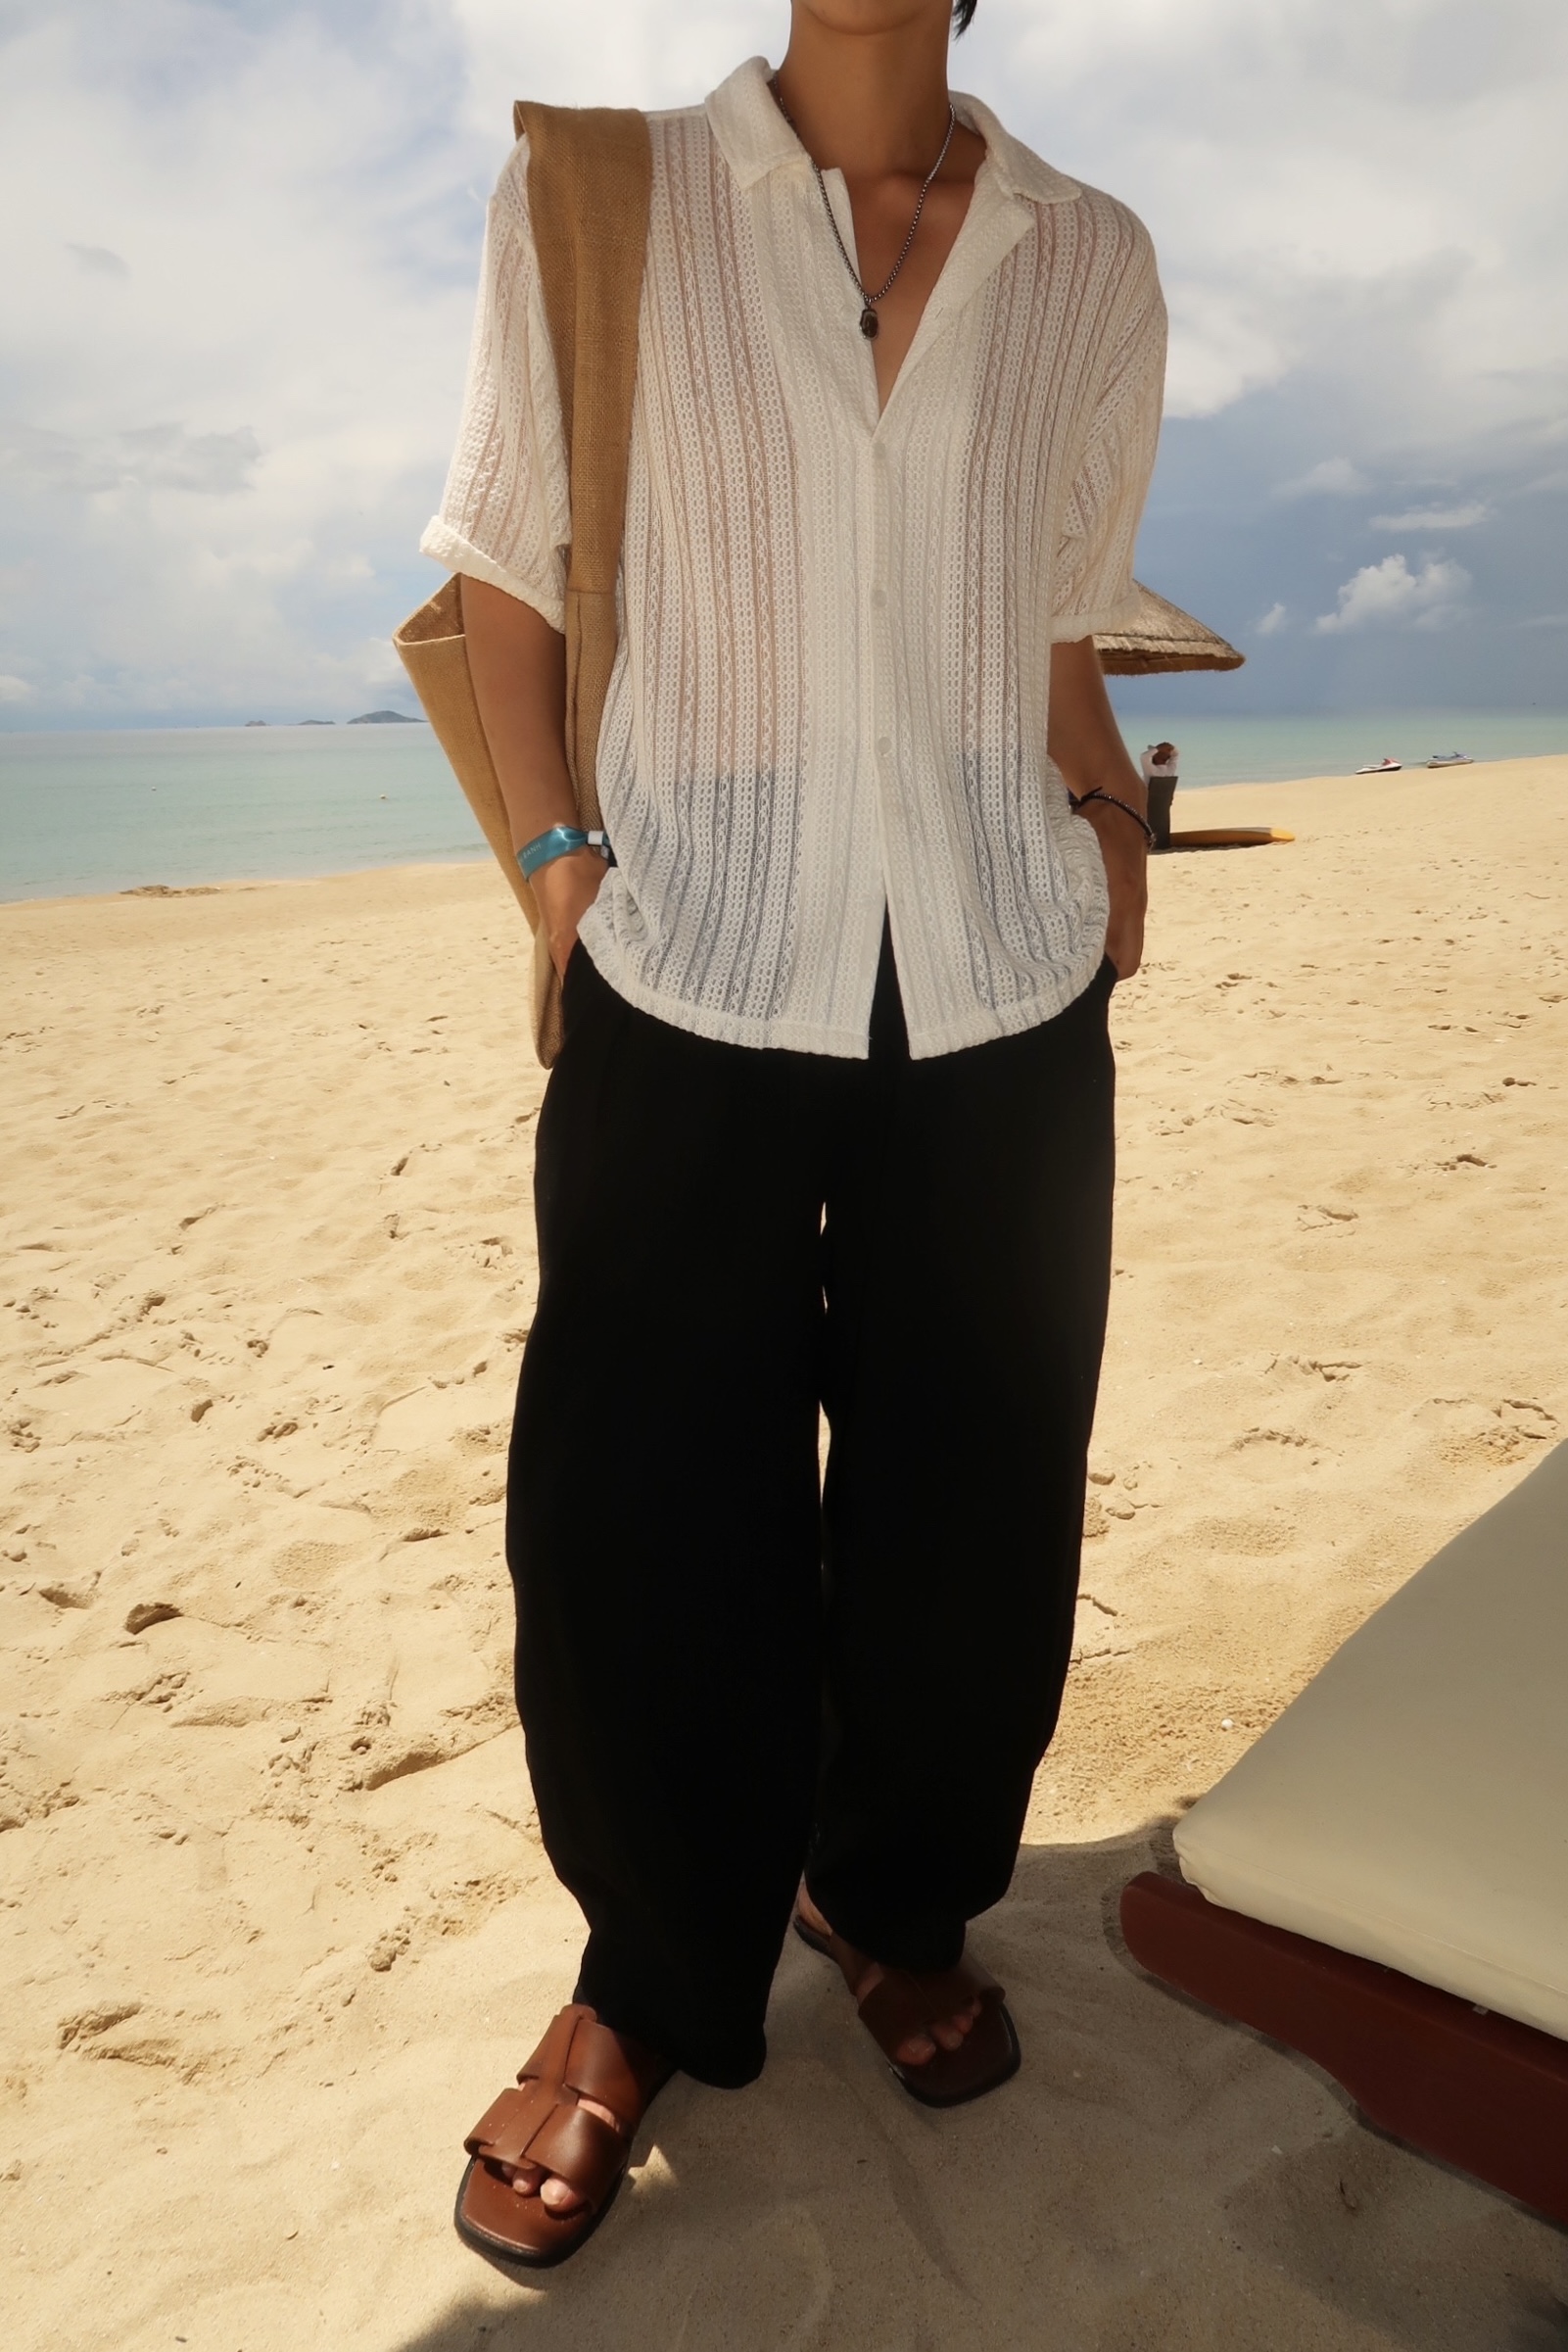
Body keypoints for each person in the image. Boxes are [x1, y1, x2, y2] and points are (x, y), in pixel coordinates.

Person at [422, 0, 1164, 2268]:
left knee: (976, 1488)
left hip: (998, 955)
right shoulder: (603, 202)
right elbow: (508, 571)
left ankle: (891, 1889)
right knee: (639, 1498)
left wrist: (1103, 826)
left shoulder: (1086, 255)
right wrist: (553, 867)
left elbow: (1055, 619)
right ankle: (650, 1971)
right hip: (692, 945)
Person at [1140, 740, 1179, 849]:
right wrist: (1170, 748)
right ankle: (1162, 842)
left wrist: (1160, 748)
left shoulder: (1152, 770)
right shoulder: (1170, 770)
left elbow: (1144, 757)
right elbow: (1176, 755)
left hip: (1149, 804)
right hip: (1162, 805)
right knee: (1162, 821)